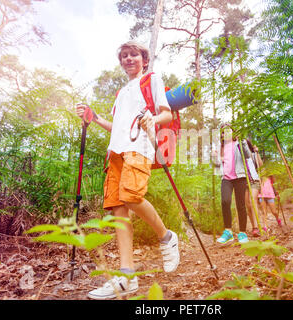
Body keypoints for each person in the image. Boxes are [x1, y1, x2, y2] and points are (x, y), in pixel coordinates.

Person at [75, 41, 179, 300]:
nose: (128, 59)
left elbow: (166, 114)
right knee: (119, 213)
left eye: (133, 55)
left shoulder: (152, 79)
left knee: (132, 197)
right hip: (116, 153)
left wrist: (152, 119)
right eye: (124, 56)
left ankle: (166, 236)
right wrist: (95, 118)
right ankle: (126, 278)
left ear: (144, 59)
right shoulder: (121, 94)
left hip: (139, 147)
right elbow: (118, 127)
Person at [212, 124, 258, 244]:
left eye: (228, 130)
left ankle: (242, 233)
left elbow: (248, 155)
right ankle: (228, 232)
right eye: (223, 132)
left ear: (232, 132)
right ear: (221, 135)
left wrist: (242, 141)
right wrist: (214, 157)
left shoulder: (238, 143)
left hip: (239, 177)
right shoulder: (220, 147)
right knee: (225, 201)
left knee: (240, 205)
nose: (225, 133)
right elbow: (217, 166)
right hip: (226, 178)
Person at [242, 139, 264, 237]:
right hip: (243, 183)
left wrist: (257, 152)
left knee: (252, 202)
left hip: (254, 180)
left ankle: (256, 227)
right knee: (248, 206)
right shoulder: (239, 156)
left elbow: (260, 165)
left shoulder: (253, 154)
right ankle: (254, 226)